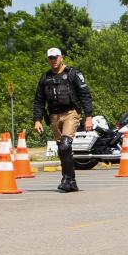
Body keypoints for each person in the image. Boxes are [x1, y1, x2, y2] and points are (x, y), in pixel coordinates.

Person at [32, 47, 94, 192]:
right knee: (62, 149)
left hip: (71, 113)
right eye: (50, 58)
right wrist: (37, 119)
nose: (53, 60)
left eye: (56, 57)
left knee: (65, 145)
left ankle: (67, 180)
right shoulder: (45, 77)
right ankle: (70, 181)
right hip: (54, 116)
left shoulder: (73, 74)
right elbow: (39, 100)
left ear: (61, 57)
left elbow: (85, 95)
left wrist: (88, 117)